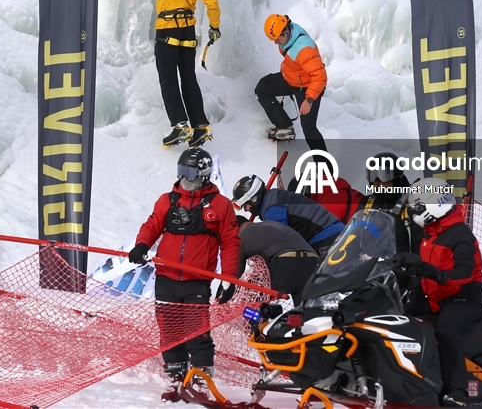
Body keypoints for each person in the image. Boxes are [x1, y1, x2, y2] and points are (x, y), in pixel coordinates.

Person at [128, 147, 239, 382]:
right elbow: (152, 225)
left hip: (196, 280)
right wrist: (142, 245)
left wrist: (229, 278)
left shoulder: (220, 205)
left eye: (188, 172)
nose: (183, 178)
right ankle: (175, 368)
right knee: (169, 328)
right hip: (166, 277)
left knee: (196, 329)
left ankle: (201, 374)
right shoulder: (167, 200)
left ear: (203, 174)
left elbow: (230, 243)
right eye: (181, 171)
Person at [396, 187, 482, 407]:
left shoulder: (459, 234)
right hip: (438, 296)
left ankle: (456, 390)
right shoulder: (431, 233)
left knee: (446, 327)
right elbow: (424, 267)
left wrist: (434, 274)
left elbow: (465, 271)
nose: (413, 212)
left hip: (465, 295)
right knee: (396, 317)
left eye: (417, 207)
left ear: (434, 207)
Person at [137, 0, 221, 148]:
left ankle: (180, 125)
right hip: (188, 31)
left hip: (167, 28)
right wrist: (214, 26)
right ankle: (200, 126)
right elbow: (212, 2)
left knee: (168, 78)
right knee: (188, 78)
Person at [255, 14, 327, 151]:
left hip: (308, 88)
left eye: (277, 39)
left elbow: (320, 76)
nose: (276, 43)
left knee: (309, 130)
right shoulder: (288, 36)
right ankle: (284, 126)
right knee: (263, 88)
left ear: (285, 32)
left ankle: (325, 169)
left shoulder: (304, 49)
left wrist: (309, 100)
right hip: (292, 79)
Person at [231, 175, 344, 254]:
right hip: (332, 232)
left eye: (245, 205)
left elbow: (281, 241)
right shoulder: (274, 198)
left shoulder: (273, 210)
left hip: (327, 238)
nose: (246, 210)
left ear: (254, 200)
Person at [235, 215, 319, 304]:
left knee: (248, 295)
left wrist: (221, 298)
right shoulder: (273, 225)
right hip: (313, 263)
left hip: (285, 266)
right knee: (306, 312)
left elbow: (234, 274)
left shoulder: (241, 236)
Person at [362, 152, 423, 258]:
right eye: (374, 178)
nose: (380, 183)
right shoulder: (367, 204)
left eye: (384, 177)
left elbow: (422, 248)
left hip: (401, 269)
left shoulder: (413, 205)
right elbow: (352, 235)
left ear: (396, 178)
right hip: (368, 269)